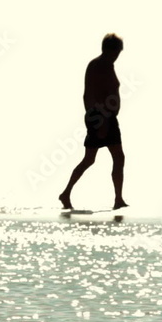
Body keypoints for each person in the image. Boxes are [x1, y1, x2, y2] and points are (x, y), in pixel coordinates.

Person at [59, 33, 128, 210]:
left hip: (108, 117)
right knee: (93, 159)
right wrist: (99, 121)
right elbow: (89, 95)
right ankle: (67, 193)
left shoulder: (108, 65)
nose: (117, 55)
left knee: (110, 158)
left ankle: (118, 199)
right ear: (109, 50)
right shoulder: (98, 66)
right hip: (100, 117)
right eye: (116, 52)